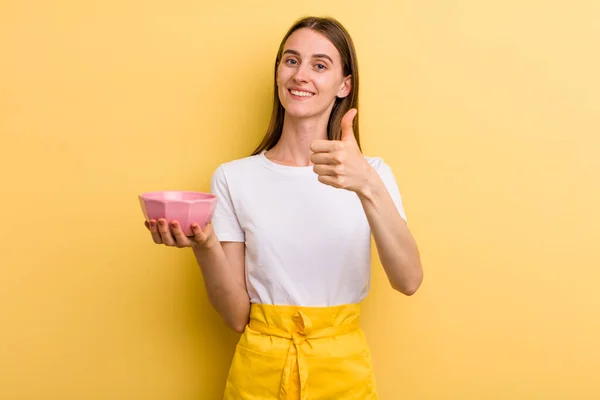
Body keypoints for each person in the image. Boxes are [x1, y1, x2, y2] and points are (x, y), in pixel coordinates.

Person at [145, 15, 423, 400]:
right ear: (278, 73)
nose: (300, 75)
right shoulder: (232, 178)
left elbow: (408, 280)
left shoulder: (371, 173)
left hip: (342, 374)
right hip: (259, 372)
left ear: (345, 86)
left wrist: (367, 185)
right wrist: (204, 244)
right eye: (291, 60)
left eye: (319, 65)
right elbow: (236, 316)